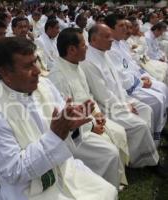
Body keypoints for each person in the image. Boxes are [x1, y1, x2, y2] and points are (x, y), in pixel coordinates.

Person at [0, 36, 117, 200]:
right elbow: (14, 171)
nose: (37, 70)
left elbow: (65, 136)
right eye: (28, 66)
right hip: (28, 189)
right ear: (5, 73)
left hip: (64, 169)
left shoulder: (45, 86)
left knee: (107, 192)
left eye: (36, 61)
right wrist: (55, 135)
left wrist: (72, 127)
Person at [49, 27, 129, 187]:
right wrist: (92, 126)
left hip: (90, 119)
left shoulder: (76, 65)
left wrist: (97, 114)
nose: (87, 48)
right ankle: (104, 186)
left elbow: (88, 96)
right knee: (110, 152)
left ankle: (115, 179)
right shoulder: (58, 75)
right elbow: (67, 116)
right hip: (75, 134)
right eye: (84, 45)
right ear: (72, 49)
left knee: (119, 132)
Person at [80, 24, 163, 172]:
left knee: (146, 110)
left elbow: (117, 84)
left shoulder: (104, 53)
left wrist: (128, 101)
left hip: (120, 100)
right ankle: (144, 162)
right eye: (106, 36)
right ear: (93, 39)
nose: (111, 39)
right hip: (107, 108)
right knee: (140, 126)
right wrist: (125, 106)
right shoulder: (89, 61)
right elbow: (103, 94)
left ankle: (140, 152)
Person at [105, 14, 168, 146]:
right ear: (110, 28)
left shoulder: (120, 43)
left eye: (126, 26)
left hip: (135, 80)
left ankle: (158, 128)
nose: (125, 29)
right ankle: (153, 137)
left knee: (162, 88)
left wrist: (143, 76)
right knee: (157, 100)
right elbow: (121, 75)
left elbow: (131, 64)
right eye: (121, 26)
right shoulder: (109, 48)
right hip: (128, 88)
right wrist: (140, 82)